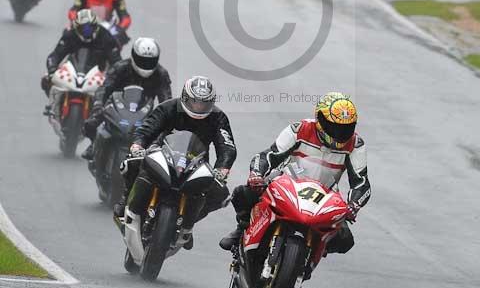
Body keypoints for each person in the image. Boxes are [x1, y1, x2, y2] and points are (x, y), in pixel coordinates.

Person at [219, 92, 371, 254]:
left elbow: (361, 183)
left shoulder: (355, 144)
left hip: (325, 194)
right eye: (334, 126)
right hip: (287, 179)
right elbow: (268, 155)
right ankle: (242, 229)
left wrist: (354, 204)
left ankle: (314, 251)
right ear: (320, 119)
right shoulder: (300, 129)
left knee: (345, 240)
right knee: (243, 193)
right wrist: (256, 174)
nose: (339, 133)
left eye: (345, 128)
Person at [117, 75, 236, 250]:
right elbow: (147, 128)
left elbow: (227, 146)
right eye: (195, 102)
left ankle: (189, 222)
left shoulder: (218, 117)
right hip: (162, 152)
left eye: (204, 103)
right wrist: (138, 144)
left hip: (197, 162)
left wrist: (223, 168)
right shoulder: (169, 107)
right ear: (185, 98)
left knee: (220, 193)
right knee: (132, 163)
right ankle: (124, 200)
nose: (199, 107)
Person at [81, 37, 172, 163]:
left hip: (145, 112)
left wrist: (166, 120)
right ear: (134, 56)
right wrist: (98, 105)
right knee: (91, 122)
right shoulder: (120, 67)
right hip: (118, 106)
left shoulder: (161, 74)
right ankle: (94, 144)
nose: (145, 64)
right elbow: (104, 89)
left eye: (149, 61)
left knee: (164, 134)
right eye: (142, 60)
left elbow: (166, 100)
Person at [42, 9, 120, 110]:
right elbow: (55, 55)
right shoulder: (70, 35)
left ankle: (102, 110)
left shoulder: (106, 36)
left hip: (98, 75)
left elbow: (117, 61)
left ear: (95, 26)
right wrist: (52, 69)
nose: (86, 32)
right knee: (45, 79)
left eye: (89, 28)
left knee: (116, 89)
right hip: (72, 72)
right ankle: (54, 105)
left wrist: (114, 77)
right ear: (76, 27)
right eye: (82, 29)